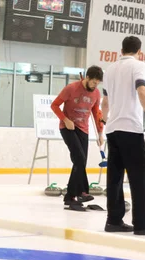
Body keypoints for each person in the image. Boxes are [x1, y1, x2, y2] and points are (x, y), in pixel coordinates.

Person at [101, 35, 145, 236]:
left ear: (121, 51)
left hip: (112, 129)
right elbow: (142, 91)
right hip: (130, 127)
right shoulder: (138, 66)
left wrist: (104, 122)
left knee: (115, 177)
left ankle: (114, 220)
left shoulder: (109, 70)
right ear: (139, 51)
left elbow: (105, 102)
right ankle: (142, 223)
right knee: (139, 176)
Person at [51, 65, 105, 211]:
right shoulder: (71, 88)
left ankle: (72, 195)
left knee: (80, 162)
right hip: (68, 128)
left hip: (83, 129)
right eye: (93, 82)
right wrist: (65, 120)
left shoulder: (96, 93)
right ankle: (81, 192)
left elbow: (96, 113)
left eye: (98, 83)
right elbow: (54, 105)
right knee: (79, 158)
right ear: (87, 78)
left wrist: (100, 133)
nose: (95, 85)